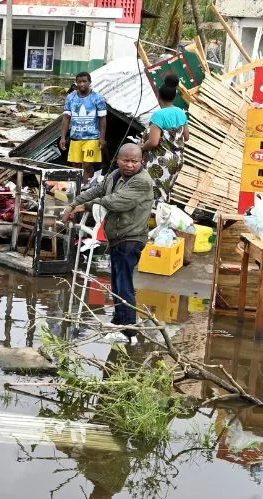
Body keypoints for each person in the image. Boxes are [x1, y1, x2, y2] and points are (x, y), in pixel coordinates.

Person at [61, 144, 154, 336]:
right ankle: (118, 320)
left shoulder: (142, 181)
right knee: (117, 281)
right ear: (117, 160)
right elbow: (97, 190)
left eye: (134, 161)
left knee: (124, 283)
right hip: (117, 236)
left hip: (132, 237)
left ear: (141, 161)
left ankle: (129, 329)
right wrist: (73, 204)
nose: (130, 165)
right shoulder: (115, 175)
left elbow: (117, 201)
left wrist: (86, 207)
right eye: (126, 160)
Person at [141, 73, 189, 203]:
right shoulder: (181, 113)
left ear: (158, 96)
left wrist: (141, 147)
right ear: (174, 97)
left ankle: (152, 215)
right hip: (177, 160)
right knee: (165, 192)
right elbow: (186, 137)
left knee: (153, 194)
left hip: (161, 160)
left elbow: (153, 142)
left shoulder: (159, 115)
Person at [59, 71, 108, 181]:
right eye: (79, 82)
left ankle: (85, 185)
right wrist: (63, 137)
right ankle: (77, 185)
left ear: (90, 82)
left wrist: (102, 138)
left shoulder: (97, 98)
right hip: (75, 137)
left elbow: (103, 119)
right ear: (76, 83)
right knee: (75, 164)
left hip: (92, 137)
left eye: (84, 81)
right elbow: (66, 118)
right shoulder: (71, 97)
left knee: (87, 164)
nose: (82, 84)